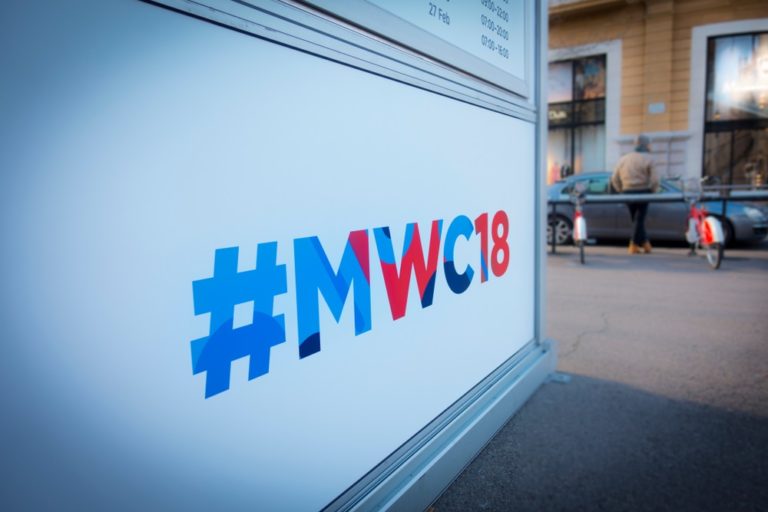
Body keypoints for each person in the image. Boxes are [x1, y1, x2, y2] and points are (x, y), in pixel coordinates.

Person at [611, 134, 659, 254]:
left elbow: (614, 178)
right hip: (643, 191)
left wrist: (621, 190)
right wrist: (652, 190)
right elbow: (655, 180)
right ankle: (633, 244)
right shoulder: (649, 158)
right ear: (646, 145)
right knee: (639, 219)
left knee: (636, 219)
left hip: (627, 191)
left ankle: (645, 243)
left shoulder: (623, 159)